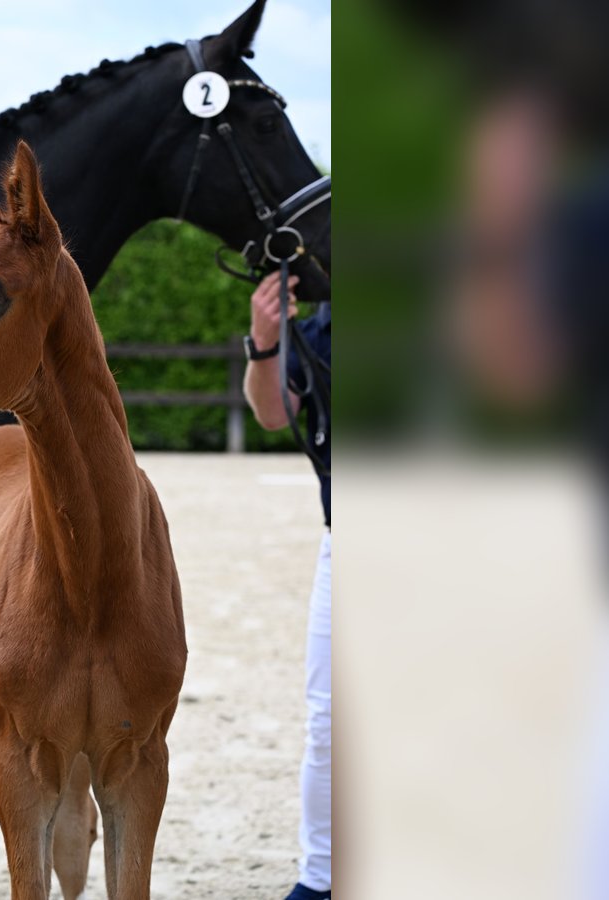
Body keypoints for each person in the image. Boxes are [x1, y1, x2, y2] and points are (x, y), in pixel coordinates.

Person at [243, 271, 331, 900]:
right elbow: (273, 413)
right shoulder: (322, 331)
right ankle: (321, 876)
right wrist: (266, 339)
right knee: (328, 720)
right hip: (347, 540)